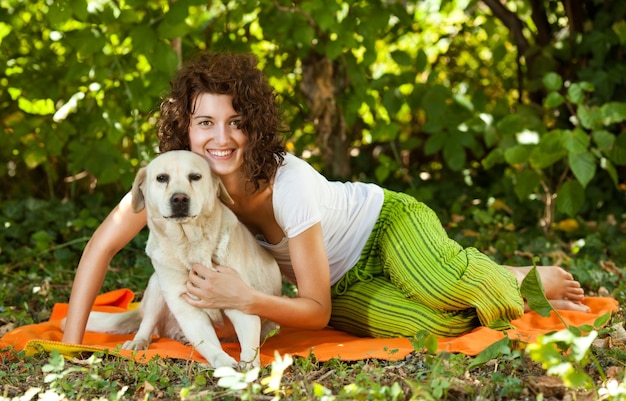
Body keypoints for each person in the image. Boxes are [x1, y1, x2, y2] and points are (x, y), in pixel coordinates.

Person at [61, 52, 588, 345]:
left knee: (444, 285)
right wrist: (69, 341)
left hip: (384, 228)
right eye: (205, 123)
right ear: (185, 128)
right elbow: (101, 248)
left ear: (254, 126)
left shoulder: (289, 184)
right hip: (334, 283)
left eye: (235, 122)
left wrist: (243, 299)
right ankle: (499, 279)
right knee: (436, 326)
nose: (220, 138)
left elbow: (308, 311)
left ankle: (522, 280)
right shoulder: (179, 183)